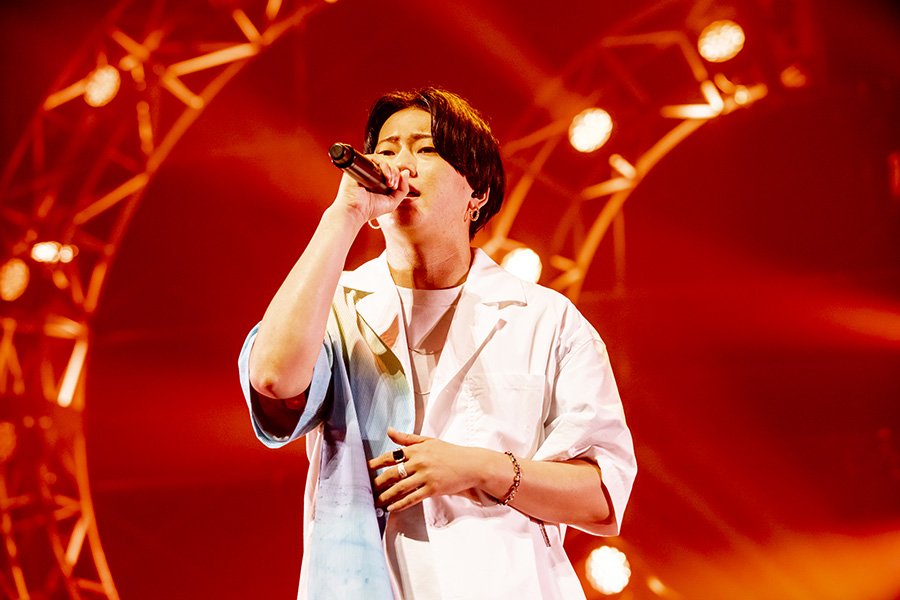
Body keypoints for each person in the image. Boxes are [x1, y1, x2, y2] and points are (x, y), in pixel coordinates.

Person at [238, 87, 637, 600]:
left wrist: (476, 467)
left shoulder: (547, 319)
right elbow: (273, 377)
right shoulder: (333, 306)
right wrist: (344, 214)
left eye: (425, 149)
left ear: (477, 194)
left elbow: (602, 497)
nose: (400, 164)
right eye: (386, 150)